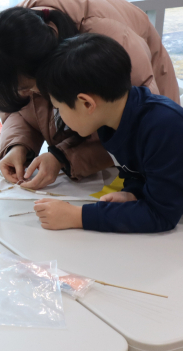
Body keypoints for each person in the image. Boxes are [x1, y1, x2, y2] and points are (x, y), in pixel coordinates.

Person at [0, 0, 180, 190]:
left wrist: (63, 157)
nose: (24, 95)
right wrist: (18, 146)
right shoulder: (12, 39)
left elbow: (128, 126)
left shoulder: (113, 44)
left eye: (27, 88)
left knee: (157, 165)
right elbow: (21, 106)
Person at [33, 33, 183, 233]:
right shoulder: (111, 119)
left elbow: (161, 214)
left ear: (87, 103)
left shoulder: (165, 126)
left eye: (59, 108)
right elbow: (137, 172)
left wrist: (78, 217)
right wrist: (134, 193)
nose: (60, 117)